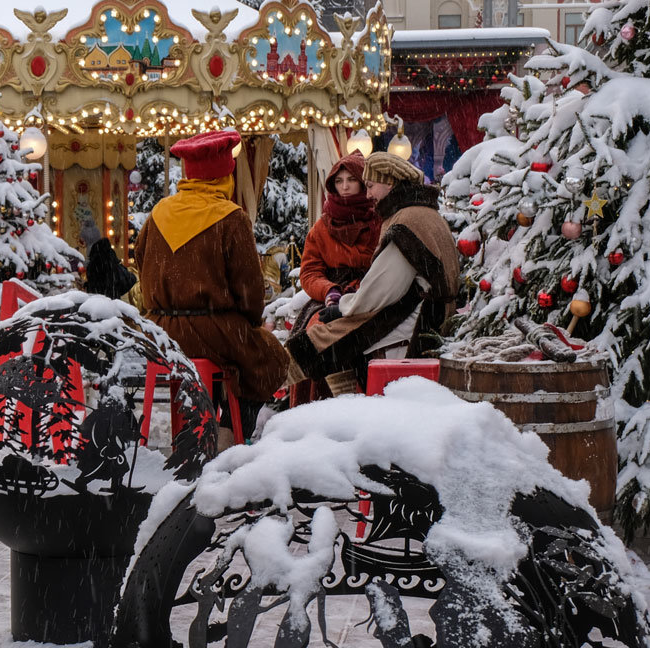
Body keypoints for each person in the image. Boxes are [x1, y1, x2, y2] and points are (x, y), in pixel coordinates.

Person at [135, 129, 290, 447]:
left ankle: (192, 425)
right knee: (269, 359)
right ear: (225, 176)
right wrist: (249, 322)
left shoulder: (158, 214)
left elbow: (141, 263)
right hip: (213, 327)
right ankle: (231, 430)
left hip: (160, 330)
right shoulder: (230, 218)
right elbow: (249, 293)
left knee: (235, 356)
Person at [285, 152, 460, 394]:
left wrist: (343, 308)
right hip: (412, 308)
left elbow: (380, 289)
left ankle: (267, 380)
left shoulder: (405, 222)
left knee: (326, 342)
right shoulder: (421, 214)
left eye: (369, 186)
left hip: (413, 316)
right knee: (326, 332)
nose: (367, 195)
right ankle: (338, 399)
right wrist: (330, 291)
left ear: (389, 183)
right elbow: (311, 270)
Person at [288, 151, 380, 404]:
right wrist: (329, 291)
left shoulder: (379, 219)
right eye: (339, 181)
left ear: (363, 182)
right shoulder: (322, 226)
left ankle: (356, 400)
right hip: (330, 295)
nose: (345, 186)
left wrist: (360, 289)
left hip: (371, 291)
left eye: (351, 179)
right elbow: (309, 271)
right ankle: (315, 404)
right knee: (315, 330)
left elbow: (384, 264)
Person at [81, 219, 138, 300]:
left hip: (98, 300)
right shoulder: (112, 261)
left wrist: (87, 285)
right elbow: (129, 279)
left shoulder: (94, 264)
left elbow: (93, 283)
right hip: (114, 299)